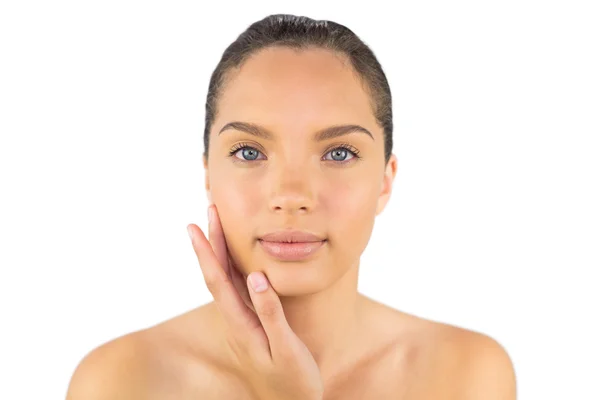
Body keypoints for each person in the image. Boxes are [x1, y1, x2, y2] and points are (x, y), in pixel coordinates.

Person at [66, 13, 516, 399]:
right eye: (249, 152)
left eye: (339, 153)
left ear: (385, 181)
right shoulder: (119, 382)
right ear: (208, 175)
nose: (292, 196)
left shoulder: (464, 375)